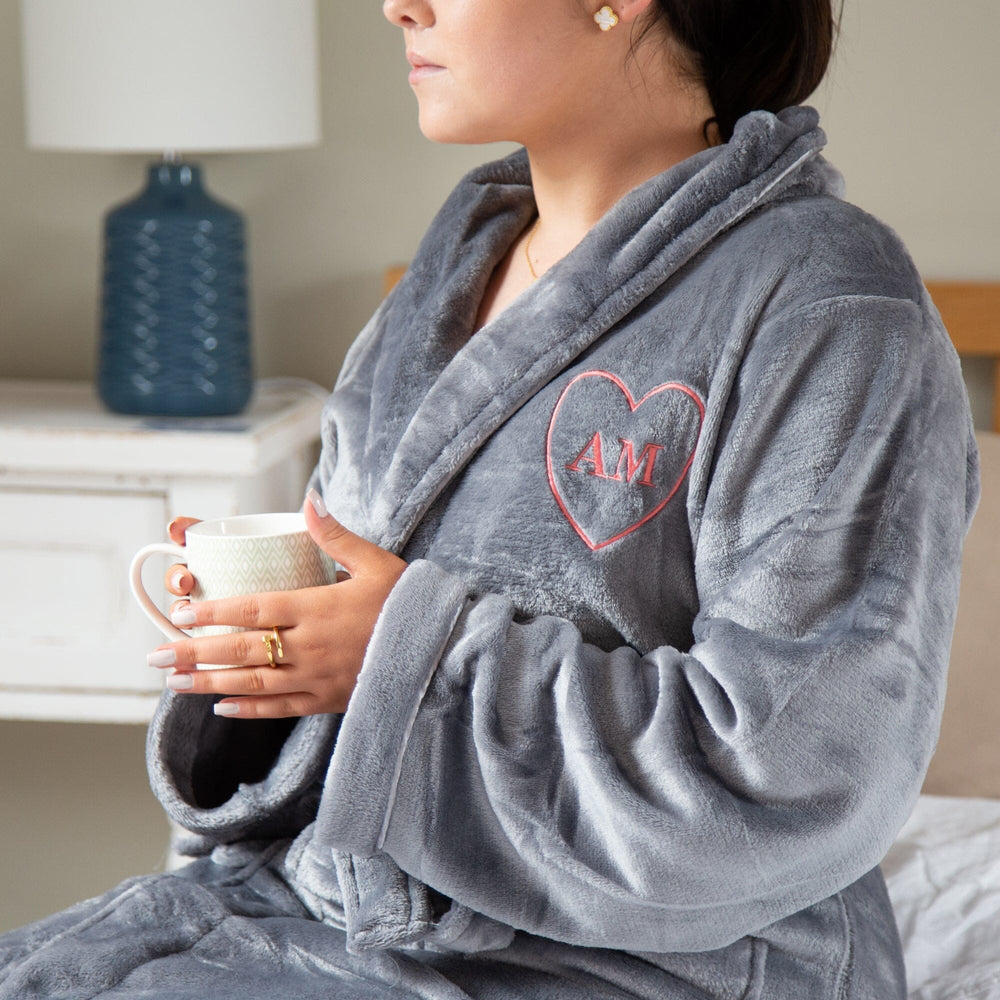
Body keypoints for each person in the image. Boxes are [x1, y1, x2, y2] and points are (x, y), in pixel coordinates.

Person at [0, 0, 978, 997]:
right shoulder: (445, 279)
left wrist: (405, 657)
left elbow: (798, 767)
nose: (400, 6)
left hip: (649, 968)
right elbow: (351, 649)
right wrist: (276, 651)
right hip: (328, 921)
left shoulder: (829, 306)